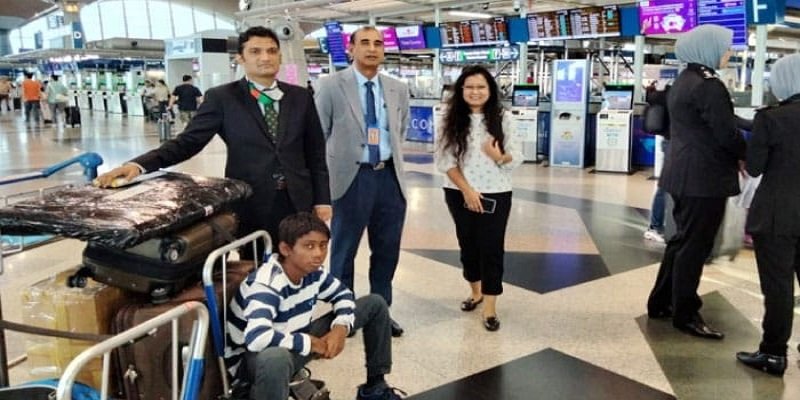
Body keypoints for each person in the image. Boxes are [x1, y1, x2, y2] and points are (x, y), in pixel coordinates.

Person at [94, 26, 331, 256]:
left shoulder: (300, 97)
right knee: (255, 264)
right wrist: (139, 165)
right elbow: (188, 142)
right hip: (252, 200)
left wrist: (322, 200)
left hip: (298, 199)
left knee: (301, 261)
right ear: (240, 58)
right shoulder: (223, 98)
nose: (265, 57)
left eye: (271, 51)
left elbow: (315, 153)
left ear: (280, 56)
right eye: (255, 51)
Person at [226, 212, 403, 400]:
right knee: (276, 358)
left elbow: (343, 294)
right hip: (254, 361)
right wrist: (311, 343)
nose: (318, 254)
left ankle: (375, 387)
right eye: (309, 246)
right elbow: (257, 337)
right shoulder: (267, 284)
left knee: (375, 304)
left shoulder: (313, 272)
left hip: (293, 340)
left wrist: (341, 327)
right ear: (286, 249)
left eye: (323, 245)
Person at [646, 25, 746, 340]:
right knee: (695, 246)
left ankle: (661, 301)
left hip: (681, 173)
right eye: (726, 48)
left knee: (681, 241)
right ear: (708, 48)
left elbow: (716, 121)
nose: (729, 53)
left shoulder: (684, 80)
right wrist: (748, 156)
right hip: (705, 178)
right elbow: (726, 134)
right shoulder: (709, 85)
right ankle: (686, 313)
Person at [315, 26, 410, 337]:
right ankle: (343, 314)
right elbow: (318, 135)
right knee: (344, 250)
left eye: (378, 43)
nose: (372, 48)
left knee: (387, 250)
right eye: (365, 43)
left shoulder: (397, 88)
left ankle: (380, 311)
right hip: (351, 178)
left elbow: (400, 129)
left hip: (389, 178)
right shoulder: (331, 85)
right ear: (351, 49)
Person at [435, 66, 522, 332]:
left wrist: (499, 157)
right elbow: (444, 160)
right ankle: (475, 292)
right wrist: (467, 190)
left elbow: (517, 156)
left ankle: (490, 307)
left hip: (496, 192)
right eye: (470, 87)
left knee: (492, 248)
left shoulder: (503, 118)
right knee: (468, 244)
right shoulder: (448, 118)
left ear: (490, 90)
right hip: (458, 191)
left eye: (481, 87)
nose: (475, 92)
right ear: (461, 90)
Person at [735, 54, 800, 377]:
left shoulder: (771, 118)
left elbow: (756, 167)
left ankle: (773, 353)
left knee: (778, 288)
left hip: (777, 214)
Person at [643, 83, 671, 244]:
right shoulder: (672, 95)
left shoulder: (664, 95)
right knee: (666, 186)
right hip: (674, 144)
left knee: (666, 186)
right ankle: (655, 227)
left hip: (671, 142)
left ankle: (656, 226)